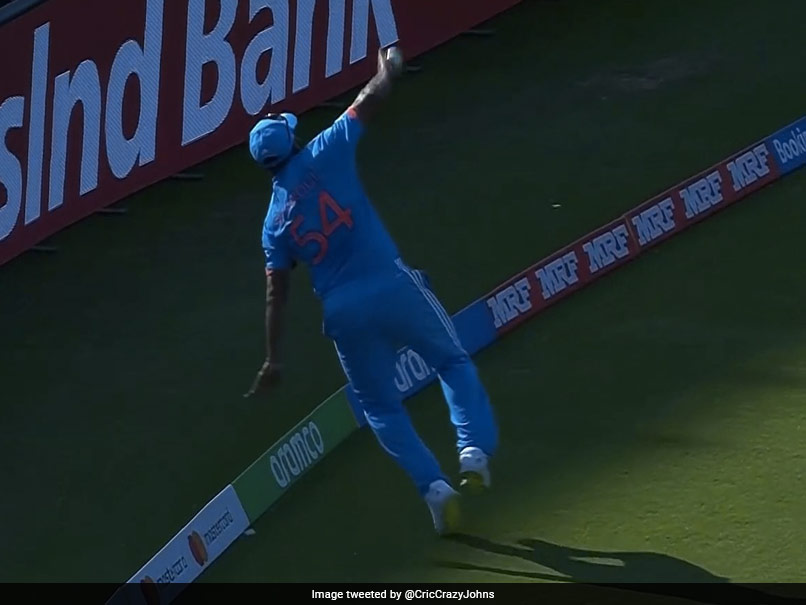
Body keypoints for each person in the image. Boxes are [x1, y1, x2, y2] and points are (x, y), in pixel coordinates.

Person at [243, 46, 498, 535]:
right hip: (391, 282)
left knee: (380, 407)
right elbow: (368, 100)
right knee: (452, 360)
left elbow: (278, 295)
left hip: (342, 312)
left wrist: (273, 360)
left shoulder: (273, 225)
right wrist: (388, 68)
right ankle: (472, 450)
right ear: (293, 141)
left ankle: (432, 487)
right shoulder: (324, 150)